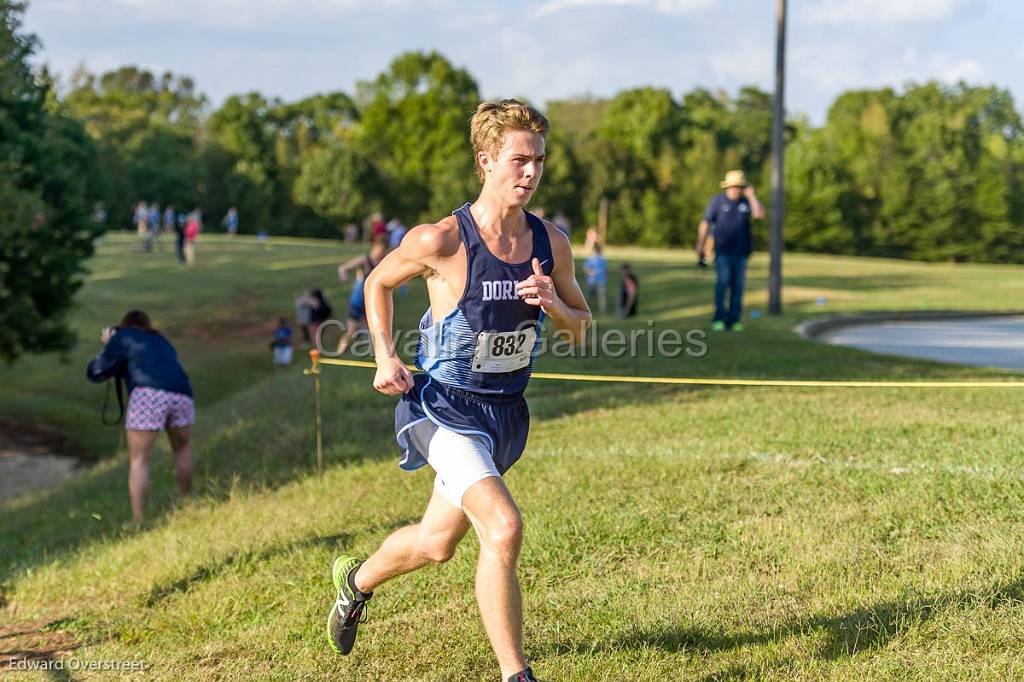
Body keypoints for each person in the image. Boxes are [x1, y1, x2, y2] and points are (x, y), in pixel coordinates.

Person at [324, 99, 591, 682]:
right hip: (439, 407)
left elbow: (581, 326)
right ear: (486, 160)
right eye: (519, 159)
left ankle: (355, 581)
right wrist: (384, 354)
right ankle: (516, 674)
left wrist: (552, 305)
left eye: (539, 160)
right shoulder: (440, 240)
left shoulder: (553, 243)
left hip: (504, 415)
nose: (531, 172)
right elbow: (377, 282)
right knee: (503, 526)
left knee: (435, 544)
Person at [86, 311, 194, 523]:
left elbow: (96, 372)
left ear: (124, 325)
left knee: (140, 459)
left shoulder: (122, 337)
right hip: (183, 392)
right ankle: (187, 501)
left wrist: (108, 344)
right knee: (182, 449)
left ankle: (139, 519)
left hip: (148, 395)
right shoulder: (160, 339)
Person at [696, 169, 764, 332]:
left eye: (739, 187)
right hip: (723, 252)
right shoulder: (717, 202)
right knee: (722, 283)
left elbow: (759, 215)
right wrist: (701, 243)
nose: (736, 190)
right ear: (727, 187)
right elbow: (705, 223)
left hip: (741, 253)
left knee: (738, 288)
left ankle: (734, 320)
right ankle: (719, 318)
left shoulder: (746, 203)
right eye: (733, 186)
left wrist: (751, 195)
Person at [335, 238, 389, 355]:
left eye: (383, 250)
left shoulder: (383, 263)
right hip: (358, 301)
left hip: (372, 301)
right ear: (374, 247)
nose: (380, 252)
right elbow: (343, 267)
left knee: (376, 329)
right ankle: (339, 352)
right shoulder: (365, 259)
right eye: (379, 249)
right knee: (351, 330)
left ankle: (378, 356)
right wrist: (343, 275)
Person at [583, 242, 608, 316]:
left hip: (601, 280)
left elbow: (604, 270)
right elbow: (585, 268)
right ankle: (585, 308)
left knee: (601, 295)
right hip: (592, 281)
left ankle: (603, 309)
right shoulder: (591, 259)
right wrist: (590, 272)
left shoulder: (603, 259)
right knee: (590, 295)